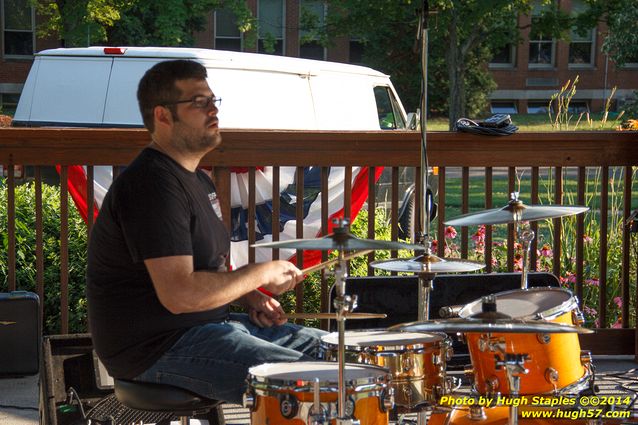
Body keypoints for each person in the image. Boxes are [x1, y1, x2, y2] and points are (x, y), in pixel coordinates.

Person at [87, 59, 326, 404]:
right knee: (315, 384)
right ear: (163, 116)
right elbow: (181, 294)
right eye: (199, 103)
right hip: (157, 347)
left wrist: (249, 295)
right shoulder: (152, 184)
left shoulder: (197, 178)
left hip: (206, 327)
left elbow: (205, 268)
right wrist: (261, 271)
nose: (213, 111)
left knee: (337, 356)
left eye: (213, 102)